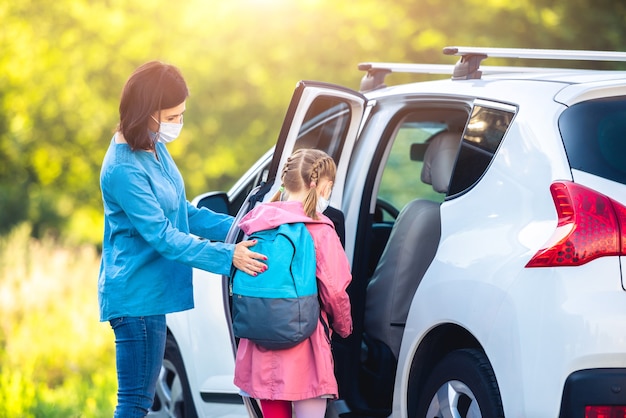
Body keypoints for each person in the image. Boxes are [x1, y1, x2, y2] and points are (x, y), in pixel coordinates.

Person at [98, 60, 267, 418]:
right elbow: (164, 236)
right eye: (172, 116)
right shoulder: (124, 167)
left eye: (181, 114)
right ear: (147, 112)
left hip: (151, 295)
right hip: (136, 299)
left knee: (137, 401)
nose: (178, 123)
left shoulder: (152, 147)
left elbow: (184, 214)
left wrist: (243, 226)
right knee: (134, 402)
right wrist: (228, 256)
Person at [233, 148, 353, 418]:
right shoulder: (320, 230)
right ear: (323, 186)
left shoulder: (256, 225)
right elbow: (335, 290)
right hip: (306, 347)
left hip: (258, 347)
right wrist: (344, 328)